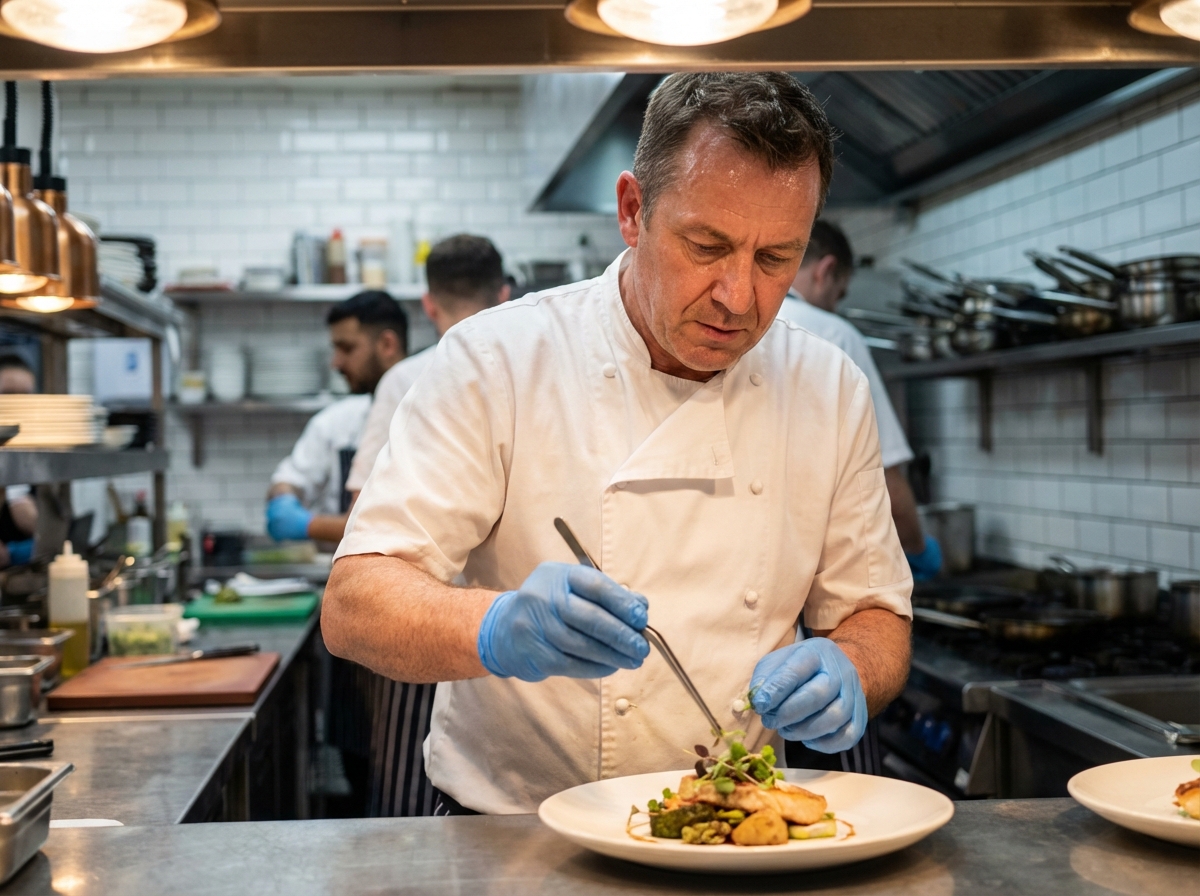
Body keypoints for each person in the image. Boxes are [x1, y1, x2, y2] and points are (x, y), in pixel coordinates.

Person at [323, 72, 913, 816]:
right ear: (633, 211)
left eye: (775, 259)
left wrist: (853, 664)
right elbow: (354, 604)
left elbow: (876, 612)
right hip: (511, 835)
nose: (739, 296)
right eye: (707, 246)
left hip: (732, 825)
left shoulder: (829, 386)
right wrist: (493, 626)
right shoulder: (498, 359)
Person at [345, 234, 509, 818]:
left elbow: (365, 512)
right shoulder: (529, 368)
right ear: (506, 292)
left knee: (409, 810)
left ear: (428, 304)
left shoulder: (403, 377)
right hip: (485, 634)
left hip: (418, 614)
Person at [778, 220, 942, 582]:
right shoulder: (835, 335)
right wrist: (917, 550)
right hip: (818, 569)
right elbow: (885, 476)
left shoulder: (744, 325)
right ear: (826, 270)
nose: (834, 308)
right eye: (839, 295)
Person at [266, 291, 407, 545]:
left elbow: (393, 532)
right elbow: (288, 480)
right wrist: (284, 500)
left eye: (347, 348)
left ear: (387, 345)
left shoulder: (433, 421)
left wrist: (310, 525)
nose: (336, 363)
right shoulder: (336, 422)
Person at [0, 354, 36, 567]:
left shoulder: (39, 450)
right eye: (7, 394)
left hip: (24, 570)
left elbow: (40, 526)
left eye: (25, 395)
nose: (18, 404)